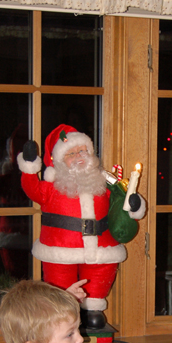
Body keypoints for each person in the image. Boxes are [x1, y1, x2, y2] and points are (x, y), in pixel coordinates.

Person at [17, 124, 146, 329]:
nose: (78, 156)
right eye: (71, 153)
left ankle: (93, 310)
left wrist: (134, 205)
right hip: (60, 250)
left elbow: (121, 204)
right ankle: (64, 316)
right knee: (61, 288)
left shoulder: (104, 183)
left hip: (102, 249)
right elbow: (31, 188)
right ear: (59, 161)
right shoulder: (51, 186)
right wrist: (30, 164)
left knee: (98, 281)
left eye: (82, 150)